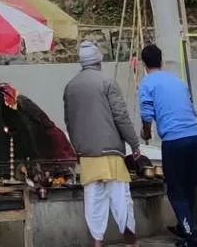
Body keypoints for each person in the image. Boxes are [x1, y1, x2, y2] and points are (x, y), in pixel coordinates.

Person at [63, 40, 141, 247]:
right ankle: (131, 240)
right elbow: (121, 116)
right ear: (99, 60)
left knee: (94, 199)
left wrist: (78, 147)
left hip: (87, 153)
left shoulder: (70, 87)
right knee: (121, 199)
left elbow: (69, 122)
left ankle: (98, 241)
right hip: (111, 152)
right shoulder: (107, 82)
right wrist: (134, 144)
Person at [138, 44, 197, 247]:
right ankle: (186, 226)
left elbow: (147, 115)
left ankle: (191, 239)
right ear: (162, 60)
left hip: (174, 142)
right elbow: (192, 110)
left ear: (143, 64)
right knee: (188, 187)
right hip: (195, 137)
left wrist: (146, 133)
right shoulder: (178, 82)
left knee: (175, 191)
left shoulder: (147, 83)